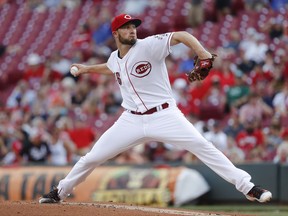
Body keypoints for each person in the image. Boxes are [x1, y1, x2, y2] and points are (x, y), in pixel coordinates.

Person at [39, 13, 272, 204]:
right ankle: (59, 192)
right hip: (130, 120)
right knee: (92, 158)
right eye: (126, 27)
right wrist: (87, 69)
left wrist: (202, 53)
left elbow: (181, 35)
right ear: (115, 33)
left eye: (133, 26)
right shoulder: (114, 57)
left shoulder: (149, 45)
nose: (132, 30)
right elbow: (110, 67)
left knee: (202, 146)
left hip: (164, 115)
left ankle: (248, 187)